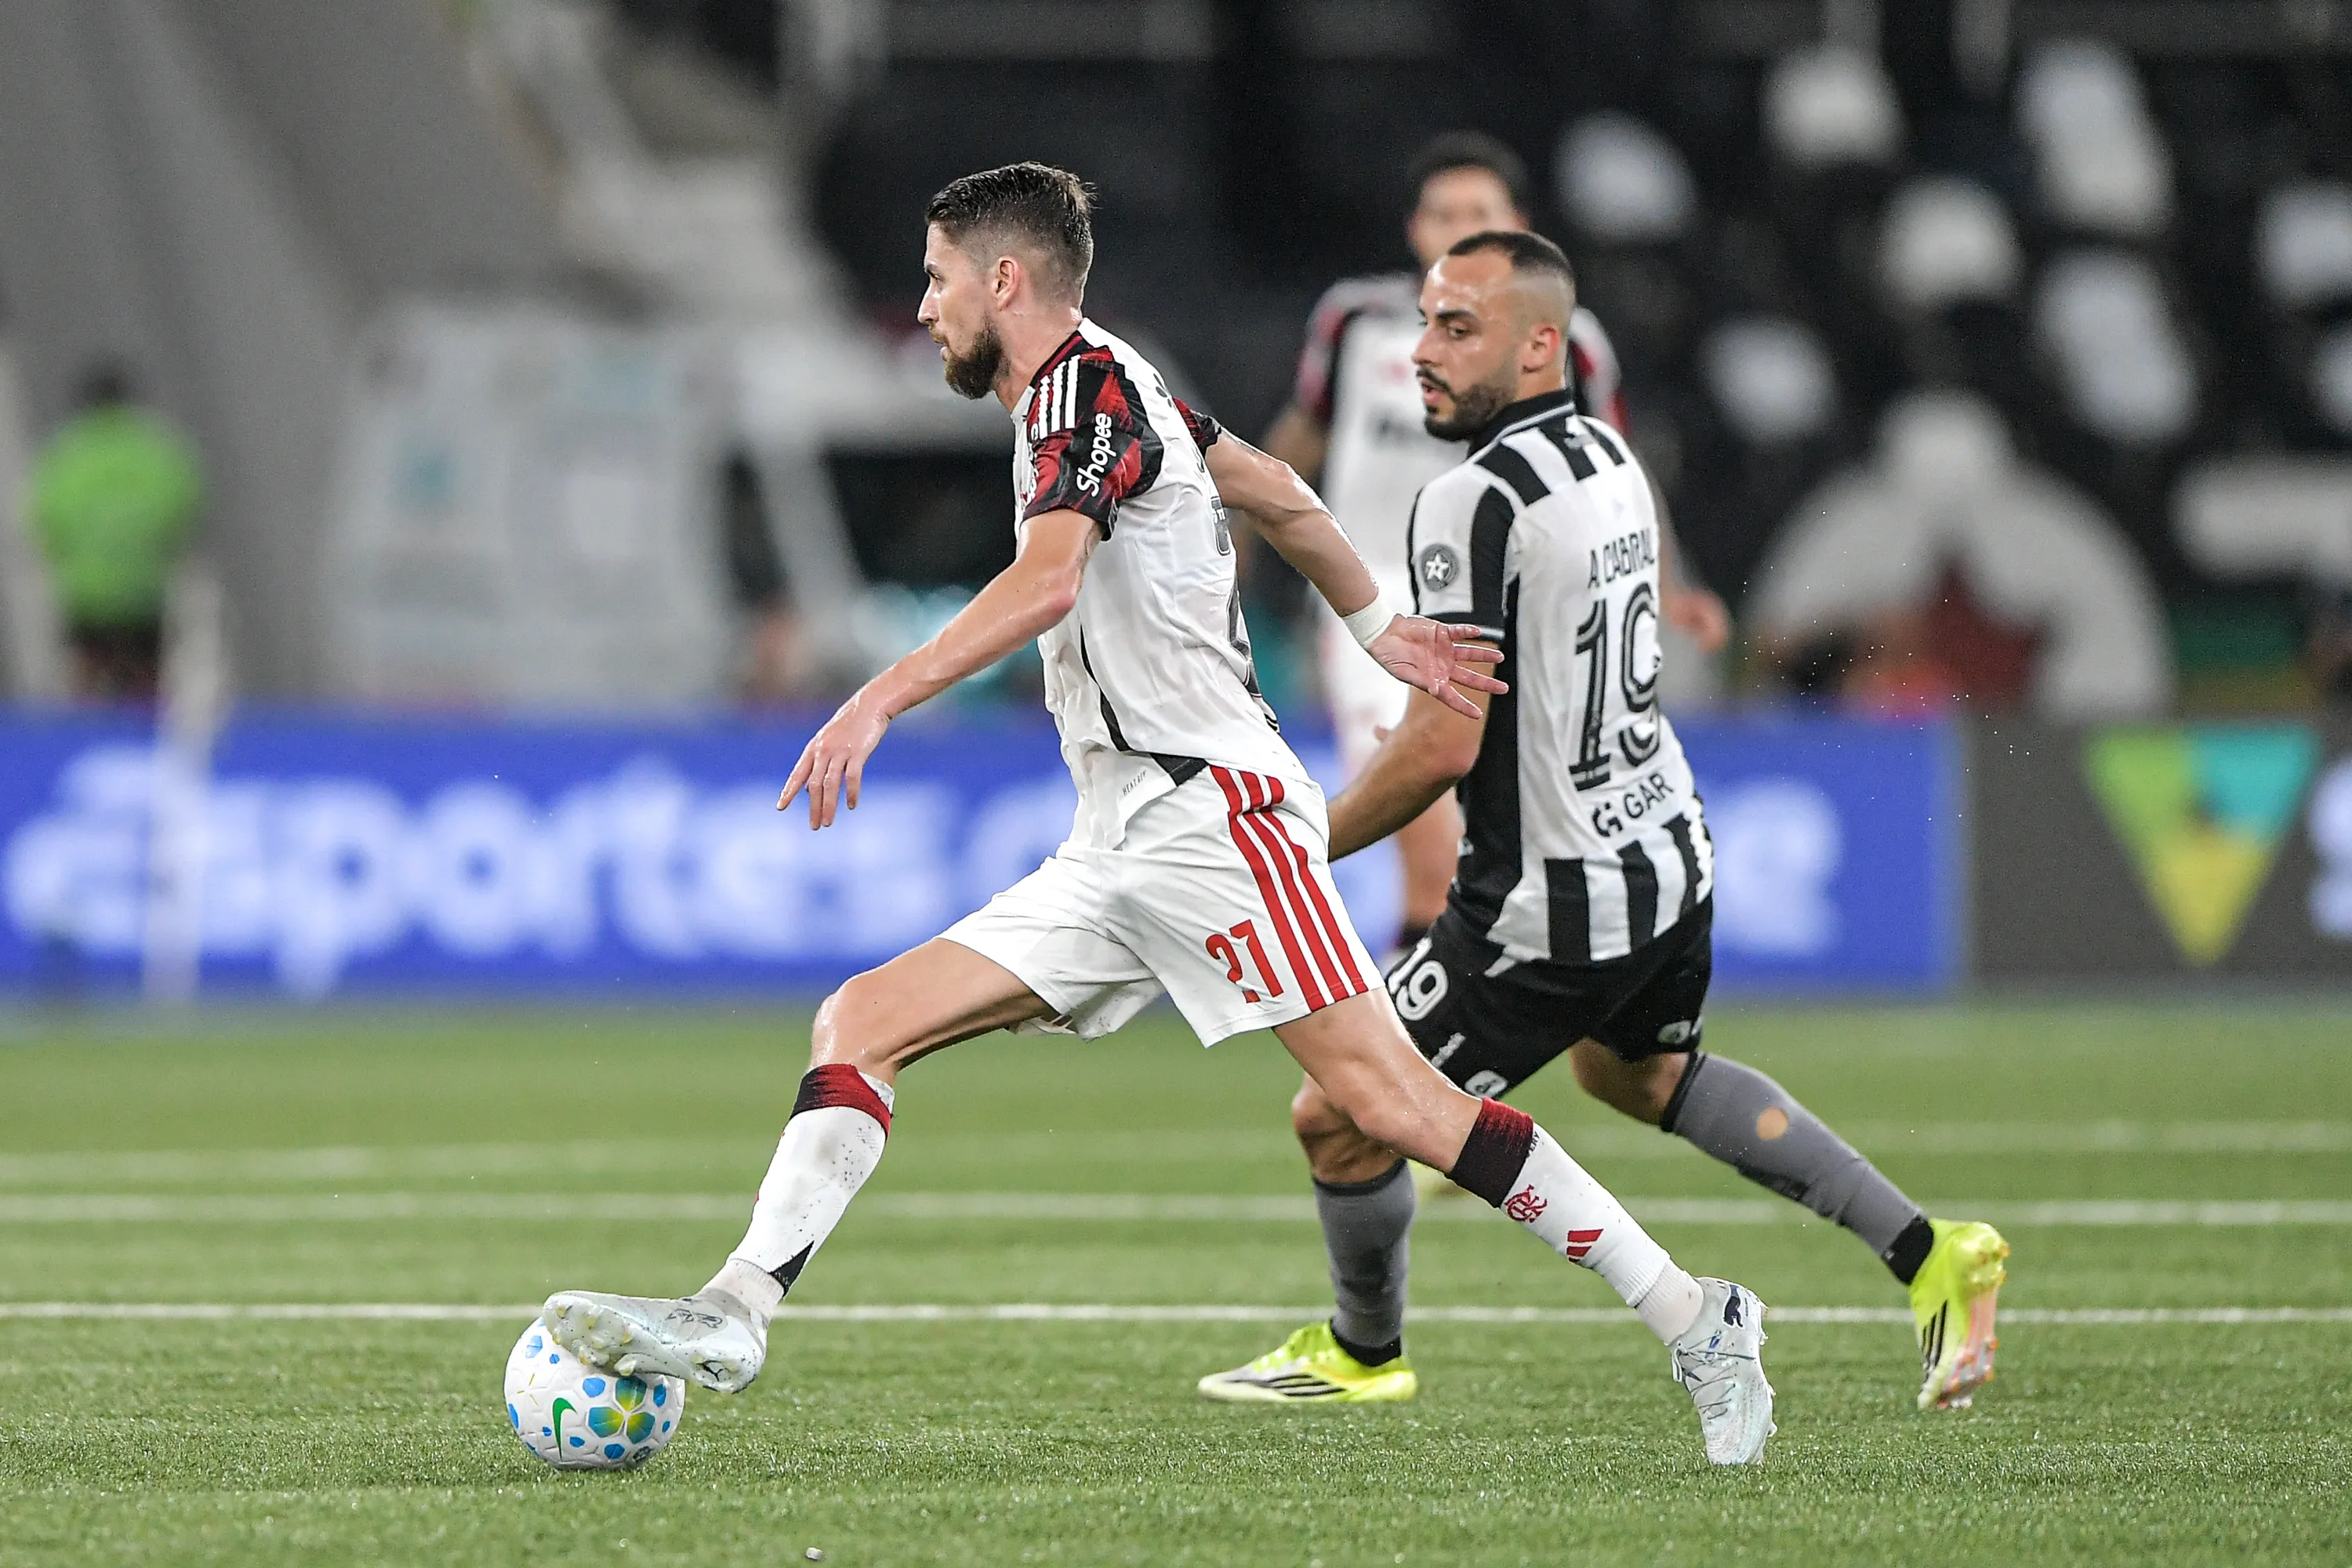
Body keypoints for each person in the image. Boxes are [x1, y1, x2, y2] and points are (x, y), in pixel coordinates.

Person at [542, 163, 1775, 1465]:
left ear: (1004, 281)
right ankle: (735, 1311)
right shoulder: (1119, 390)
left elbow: (1047, 582)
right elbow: (1275, 489)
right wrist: (1379, 626)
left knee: (1396, 1104)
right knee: (863, 1018)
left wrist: (877, 698)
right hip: (1120, 838)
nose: (925, 306)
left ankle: (1696, 1315)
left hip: (1217, 821)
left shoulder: (1085, 394)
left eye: (938, 279)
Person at [1198, 232, 2009, 1415]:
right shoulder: (1610, 455)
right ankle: (1931, 1250)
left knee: (1339, 1115)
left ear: (1540, 345)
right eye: (1424, 325)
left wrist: (1291, 846)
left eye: (1457, 329)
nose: (1422, 354)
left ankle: (1364, 1351)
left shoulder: (1467, 500)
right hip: (1667, 854)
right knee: (1641, 1075)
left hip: (1553, 901)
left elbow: (1439, 747)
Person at [1264, 132, 1729, 949]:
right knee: (1427, 849)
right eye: (1442, 214)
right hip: (1373, 600)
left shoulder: (1566, 337)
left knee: (1494, 849)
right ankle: (1420, 1013)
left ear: (1518, 225)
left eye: (1478, 212)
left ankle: (1440, 1000)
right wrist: (1231, 527)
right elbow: (1305, 432)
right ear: (1415, 228)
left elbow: (1613, 466)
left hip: (1518, 605)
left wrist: (1667, 579)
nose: (1458, 228)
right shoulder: (1355, 319)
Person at [25, 364, 202, 702]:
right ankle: (146, 726)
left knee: (87, 677)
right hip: (143, 591)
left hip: (88, 595)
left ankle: (85, 726)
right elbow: (183, 509)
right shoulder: (156, 452)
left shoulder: (68, 455)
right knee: (147, 681)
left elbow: (45, 520)